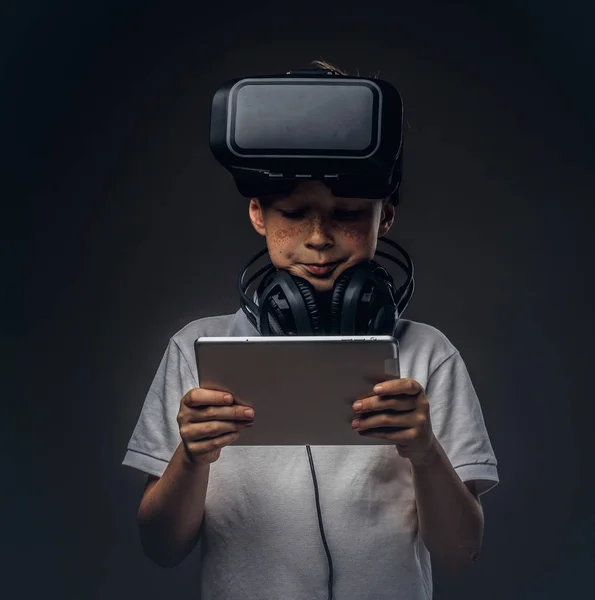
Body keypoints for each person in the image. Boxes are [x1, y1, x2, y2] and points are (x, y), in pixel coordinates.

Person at [122, 60, 499, 600]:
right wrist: (192, 455)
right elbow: (161, 547)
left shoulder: (428, 354)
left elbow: (461, 553)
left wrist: (424, 450)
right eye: (293, 212)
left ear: (384, 216)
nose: (318, 237)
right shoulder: (195, 351)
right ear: (258, 214)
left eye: (345, 213)